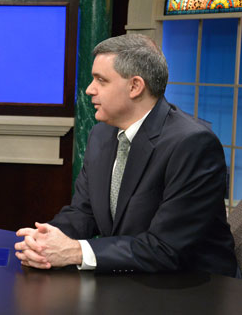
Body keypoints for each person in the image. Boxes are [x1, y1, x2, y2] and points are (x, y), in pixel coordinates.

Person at [14, 34, 239, 277]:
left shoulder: (192, 143)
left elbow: (165, 248)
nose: (90, 89)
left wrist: (76, 251)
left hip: (195, 289)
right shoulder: (101, 134)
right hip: (130, 279)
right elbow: (84, 211)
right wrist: (45, 241)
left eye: (101, 80)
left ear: (135, 86)